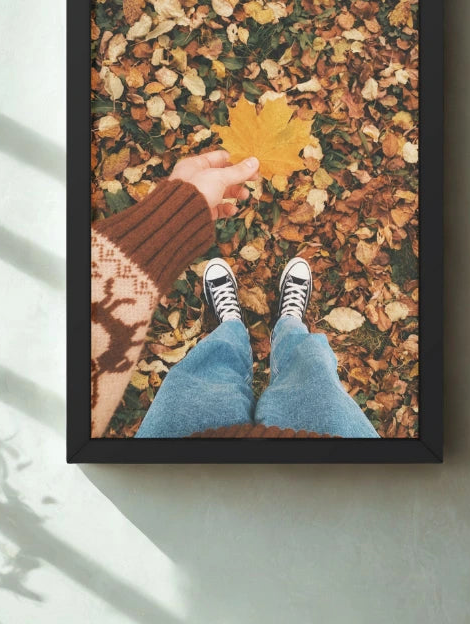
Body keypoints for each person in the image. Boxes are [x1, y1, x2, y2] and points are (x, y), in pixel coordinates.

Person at [91, 149, 379, 439]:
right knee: (313, 372)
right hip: (335, 460)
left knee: (202, 377)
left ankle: (231, 327)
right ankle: (288, 324)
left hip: (181, 464)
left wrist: (178, 213)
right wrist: (179, 212)